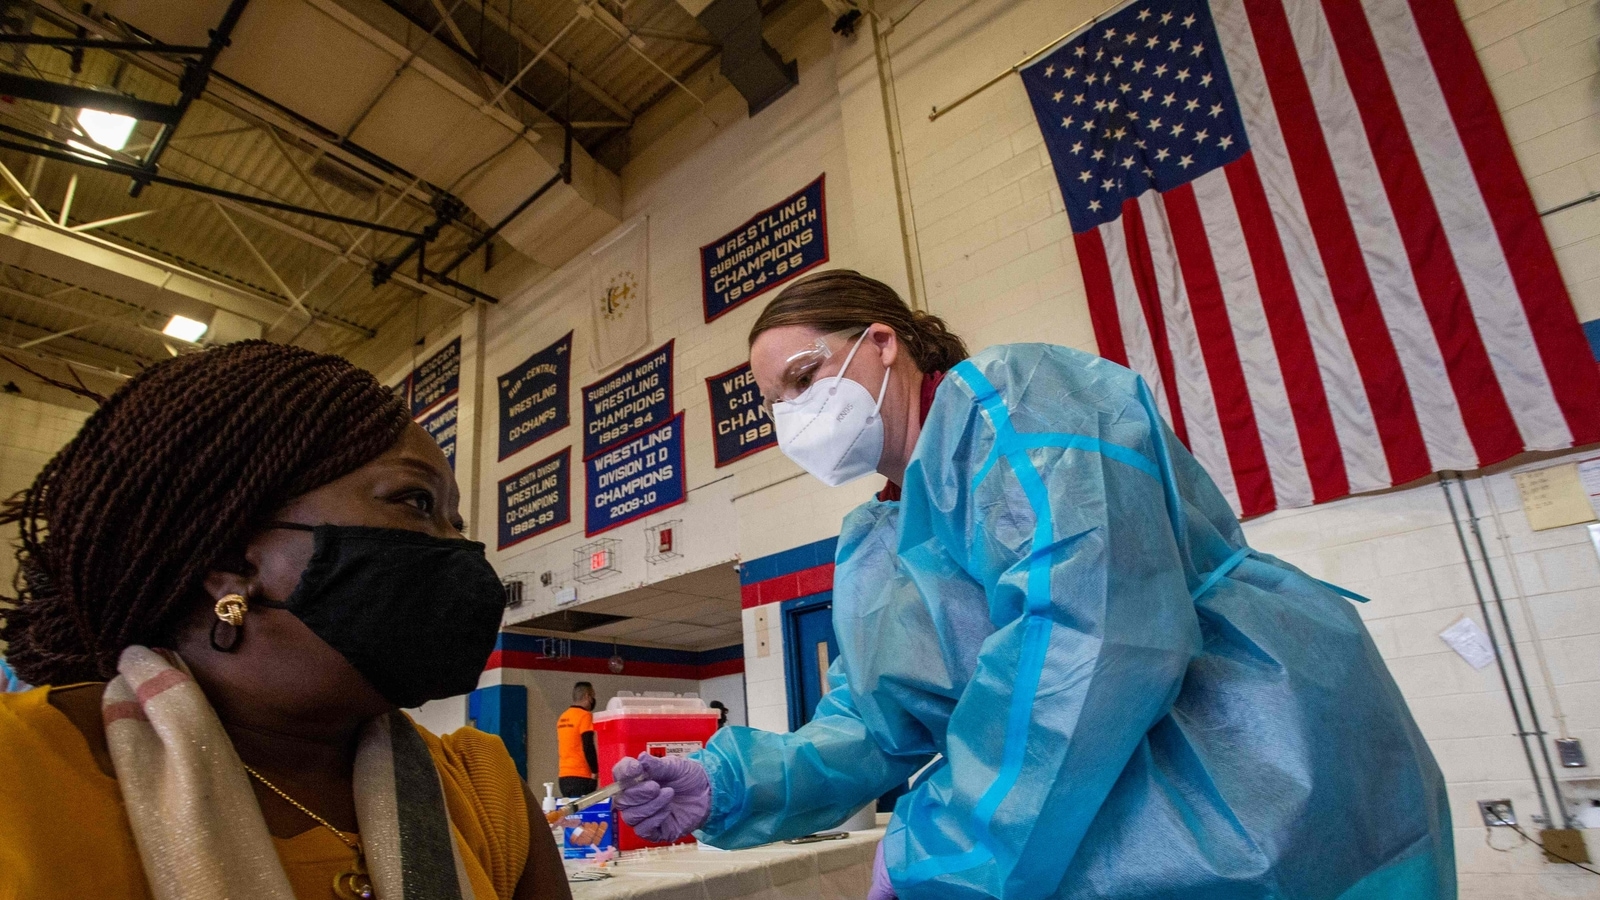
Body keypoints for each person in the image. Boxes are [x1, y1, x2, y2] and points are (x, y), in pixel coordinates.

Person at [612, 270, 1453, 899]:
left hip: (1265, 773)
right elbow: (875, 721)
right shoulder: (880, 541)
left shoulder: (1014, 402)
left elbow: (1092, 632)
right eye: (772, 403)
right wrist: (736, 780)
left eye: (802, 377)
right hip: (1106, 821)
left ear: (881, 342)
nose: (792, 414)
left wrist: (940, 846)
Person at [0, 342, 569, 900]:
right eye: (417, 503)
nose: (461, 552)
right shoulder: (21, 777)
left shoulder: (486, 793)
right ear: (229, 561)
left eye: (457, 523)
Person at [556, 682, 599, 798]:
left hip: (564, 777)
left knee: (571, 815)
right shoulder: (585, 715)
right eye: (592, 696)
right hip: (582, 776)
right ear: (587, 696)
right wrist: (595, 771)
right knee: (583, 815)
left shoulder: (563, 717)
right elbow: (588, 745)